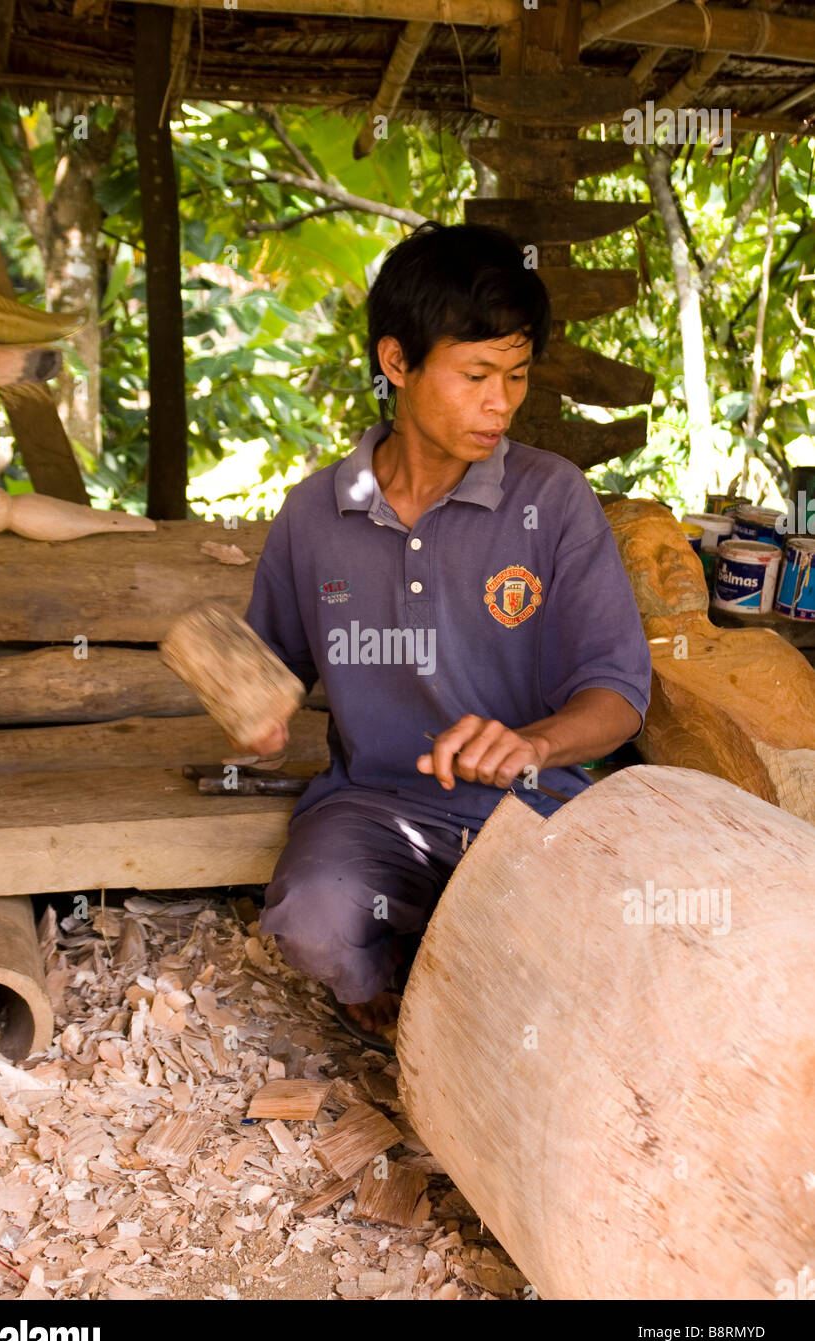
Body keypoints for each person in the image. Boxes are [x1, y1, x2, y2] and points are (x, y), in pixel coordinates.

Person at [239, 221, 651, 1048]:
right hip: (371, 805)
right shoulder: (315, 514)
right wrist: (252, 720)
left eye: (517, 376)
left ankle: (450, 961)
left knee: (594, 959)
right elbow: (264, 669)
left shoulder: (554, 497)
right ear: (397, 363)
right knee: (312, 922)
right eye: (475, 375)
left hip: (529, 810)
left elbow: (620, 696)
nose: (500, 403)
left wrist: (533, 743)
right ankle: (377, 982)